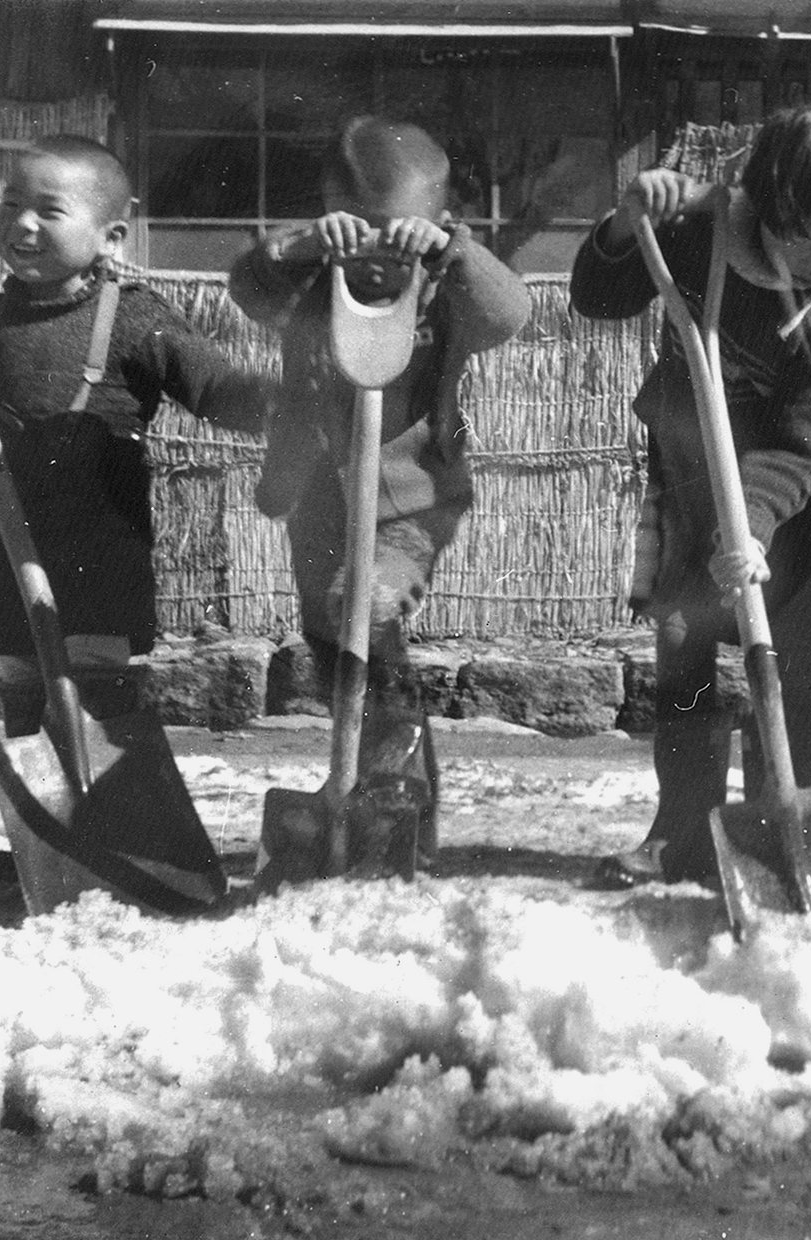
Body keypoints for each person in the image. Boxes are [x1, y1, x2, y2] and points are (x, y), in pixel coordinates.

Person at [569, 102, 811, 888]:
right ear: (764, 208)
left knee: (791, 664)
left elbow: (794, 443)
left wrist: (747, 530)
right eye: (799, 235)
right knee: (683, 655)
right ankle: (680, 829)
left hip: (789, 498)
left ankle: (776, 827)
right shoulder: (700, 229)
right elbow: (599, 297)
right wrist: (623, 225)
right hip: (688, 469)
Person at [0, 134, 272, 736]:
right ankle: (45, 813)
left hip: (102, 542)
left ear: (110, 237)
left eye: (49, 211)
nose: (22, 225)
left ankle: (106, 806)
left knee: (96, 681)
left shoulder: (134, 317)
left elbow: (213, 389)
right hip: (15, 532)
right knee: (23, 677)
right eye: (9, 207)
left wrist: (284, 406)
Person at [228, 117, 531, 868]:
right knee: (338, 640)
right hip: (318, 500)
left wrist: (451, 254)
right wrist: (297, 247)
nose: (373, 251)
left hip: (411, 500)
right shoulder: (308, 285)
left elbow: (509, 313)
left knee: (361, 609)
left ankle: (389, 787)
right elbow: (247, 288)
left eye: (396, 232)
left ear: (435, 225)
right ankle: (391, 801)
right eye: (355, 230)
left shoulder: (444, 294)